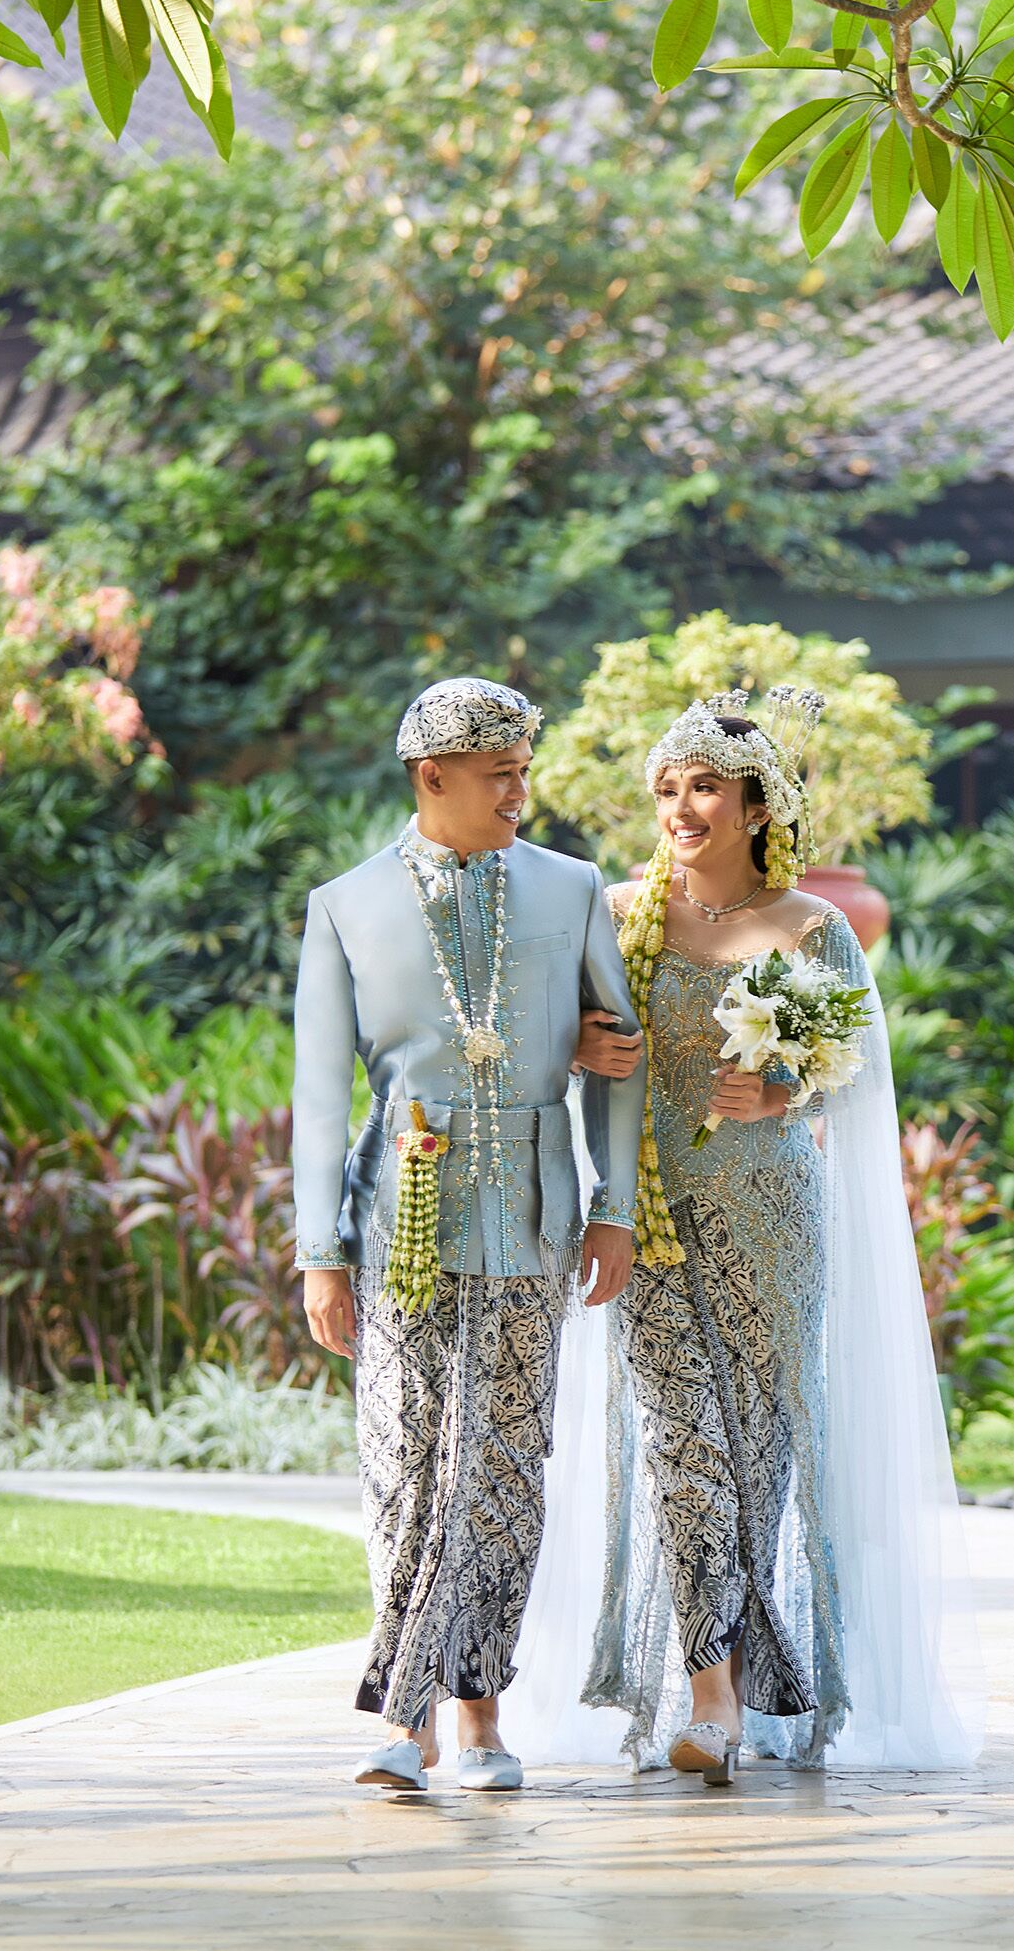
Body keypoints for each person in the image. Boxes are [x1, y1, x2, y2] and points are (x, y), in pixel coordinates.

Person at [562, 686, 981, 1783]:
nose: (680, 806)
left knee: (758, 1459)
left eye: (703, 787)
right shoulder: (612, 916)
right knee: (679, 1448)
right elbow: (564, 1046)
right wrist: (580, 1055)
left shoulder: (813, 927)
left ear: (756, 807)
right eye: (667, 787)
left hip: (774, 1218)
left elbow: (857, 1077)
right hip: (645, 1220)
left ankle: (756, 1682)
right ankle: (710, 1700)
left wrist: (786, 1088)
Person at [290, 675, 644, 1794]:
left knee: (500, 1470)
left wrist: (616, 1205)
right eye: (500, 776)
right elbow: (315, 1096)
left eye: (525, 772)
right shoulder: (342, 905)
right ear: (430, 777)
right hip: (401, 1215)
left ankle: (478, 1718)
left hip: (536, 1219)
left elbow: (619, 1057)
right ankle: (409, 1718)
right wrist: (318, 1251)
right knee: (404, 1463)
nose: (520, 796)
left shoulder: (573, 886)